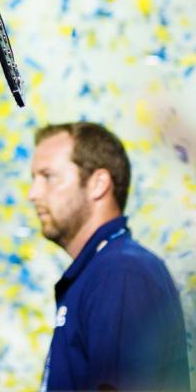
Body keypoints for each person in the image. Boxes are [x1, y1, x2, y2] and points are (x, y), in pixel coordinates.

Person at [28, 121, 189, 391]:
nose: (33, 194)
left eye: (48, 176)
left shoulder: (121, 272)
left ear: (98, 184)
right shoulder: (101, 270)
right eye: (33, 180)